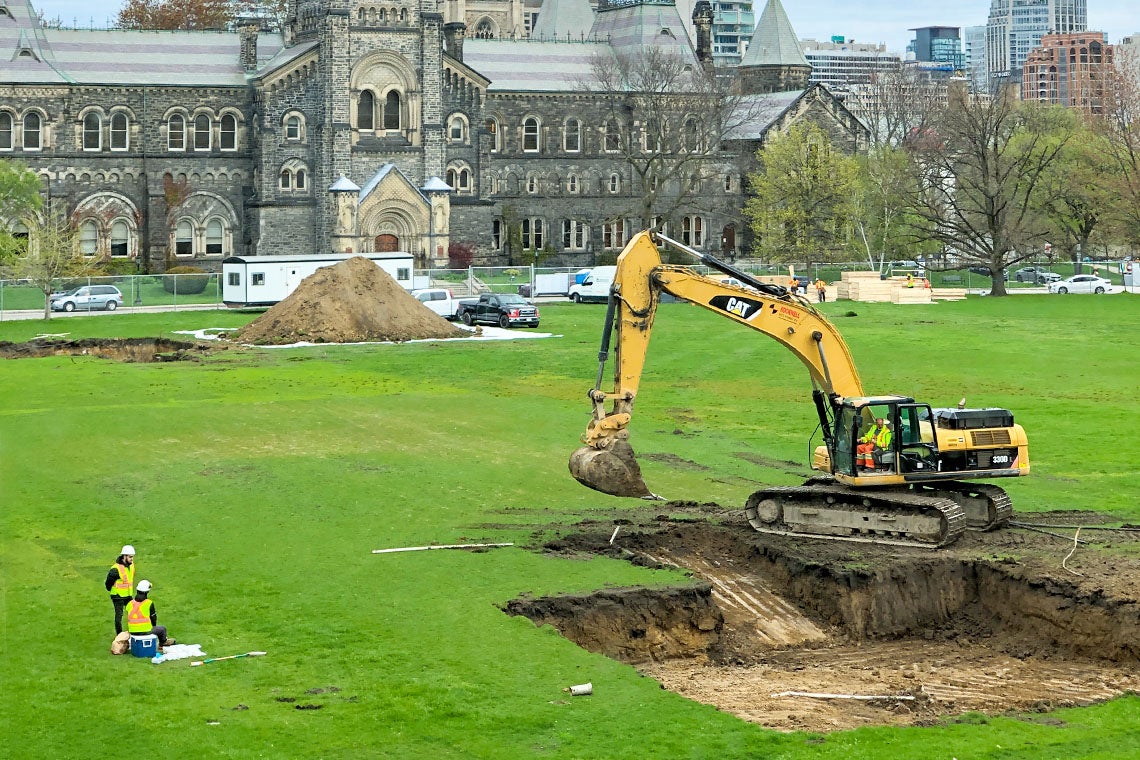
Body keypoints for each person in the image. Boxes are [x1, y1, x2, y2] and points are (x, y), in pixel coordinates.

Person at [124, 580, 175, 649]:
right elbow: (153, 618)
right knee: (162, 629)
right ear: (147, 592)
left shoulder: (130, 604)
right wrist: (153, 626)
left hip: (132, 631)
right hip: (145, 630)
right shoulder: (148, 603)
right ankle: (163, 642)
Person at [106, 545, 136, 635]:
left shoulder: (131, 566)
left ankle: (135, 631)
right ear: (124, 556)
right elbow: (108, 584)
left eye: (132, 557)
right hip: (117, 595)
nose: (132, 559)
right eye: (130, 557)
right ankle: (119, 637)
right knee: (119, 616)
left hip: (127, 594)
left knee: (135, 610)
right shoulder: (115, 569)